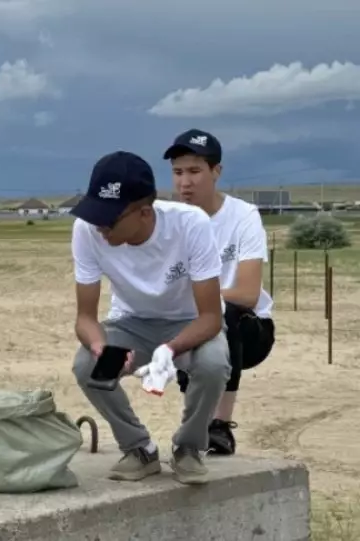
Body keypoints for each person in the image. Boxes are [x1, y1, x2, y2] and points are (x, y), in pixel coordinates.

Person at [69, 150, 231, 485]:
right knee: (87, 366)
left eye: (109, 219)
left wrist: (169, 350)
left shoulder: (190, 225)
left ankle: (189, 447)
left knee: (213, 364)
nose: (100, 227)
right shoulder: (86, 231)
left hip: (190, 324)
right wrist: (101, 347)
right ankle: (139, 449)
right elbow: (84, 318)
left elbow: (211, 317)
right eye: (95, 214)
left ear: (144, 213)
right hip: (130, 322)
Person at [163, 129, 276, 456]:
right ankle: (196, 424)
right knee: (185, 319)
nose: (185, 182)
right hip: (193, 322)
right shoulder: (167, 222)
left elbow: (249, 293)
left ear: (216, 172)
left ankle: (219, 426)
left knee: (224, 310)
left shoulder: (243, 216)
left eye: (195, 171)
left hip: (249, 331)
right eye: (178, 172)